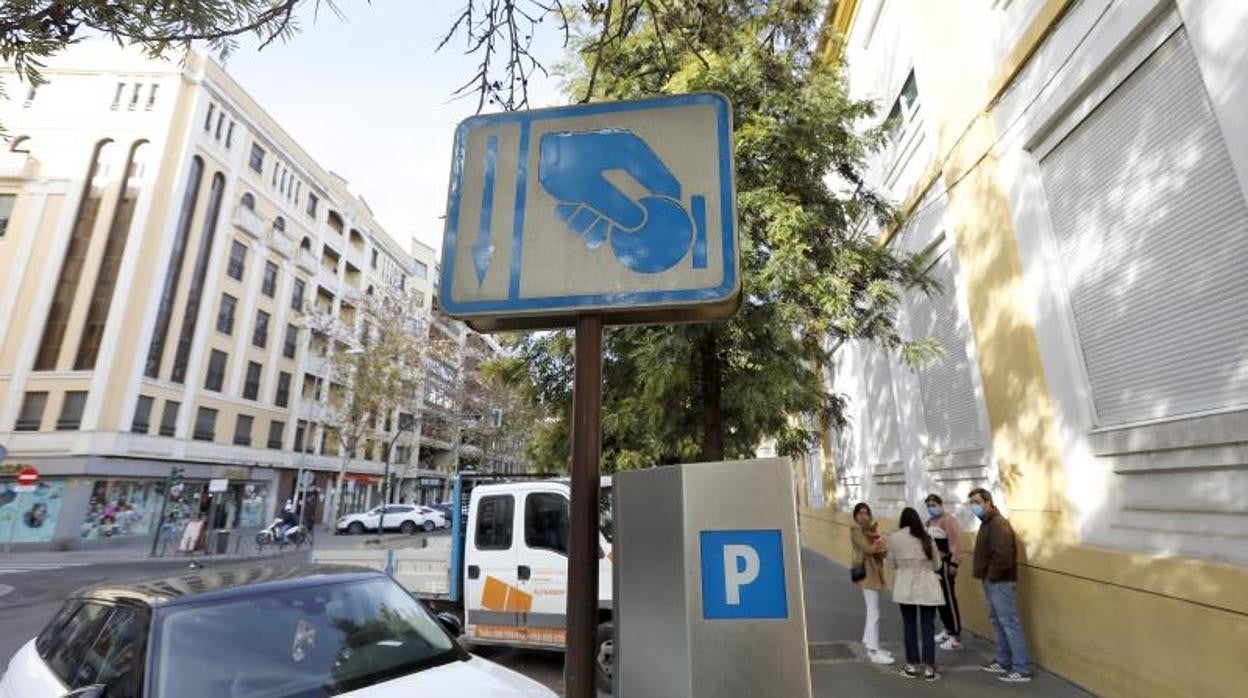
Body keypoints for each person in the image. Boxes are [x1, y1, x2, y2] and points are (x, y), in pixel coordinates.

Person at [969, 487, 1032, 683]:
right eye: (971, 503)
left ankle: (1021, 668)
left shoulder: (998, 524)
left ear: (988, 503)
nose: (974, 506)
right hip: (993, 581)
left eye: (977, 502)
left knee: (1009, 623)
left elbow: (1004, 555)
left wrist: (991, 576)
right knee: (998, 621)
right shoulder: (987, 523)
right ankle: (1003, 660)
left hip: (1000, 582)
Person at [888, 507, 945, 681]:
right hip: (928, 586)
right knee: (928, 626)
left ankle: (912, 666)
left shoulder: (895, 538)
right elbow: (937, 565)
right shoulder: (927, 537)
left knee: (909, 625)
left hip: (905, 587)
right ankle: (929, 668)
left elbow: (891, 564)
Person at [850, 502, 894, 665]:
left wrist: (879, 544)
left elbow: (883, 551)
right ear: (855, 516)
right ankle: (873, 650)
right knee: (873, 612)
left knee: (873, 610)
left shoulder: (871, 530)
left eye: (866, 513)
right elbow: (868, 549)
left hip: (875, 573)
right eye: (860, 513)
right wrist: (879, 543)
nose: (864, 516)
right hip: (867, 574)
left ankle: (871, 643)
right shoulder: (856, 530)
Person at [925, 493, 965, 650]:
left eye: (934, 505)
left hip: (946, 565)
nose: (931, 508)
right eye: (929, 506)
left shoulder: (949, 521)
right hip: (933, 566)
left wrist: (954, 563)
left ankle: (956, 636)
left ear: (941, 504)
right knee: (939, 600)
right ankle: (948, 630)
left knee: (948, 600)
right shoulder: (930, 522)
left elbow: (957, 543)